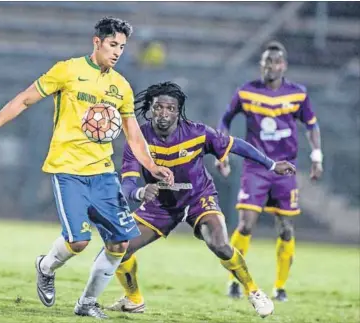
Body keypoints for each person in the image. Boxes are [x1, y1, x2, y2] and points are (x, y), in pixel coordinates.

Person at [0, 17, 174, 319]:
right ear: (96, 42)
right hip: (68, 170)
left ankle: (86, 303)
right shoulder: (67, 71)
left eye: (122, 47)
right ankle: (45, 267)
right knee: (79, 241)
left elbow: (132, 133)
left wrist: (151, 164)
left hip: (102, 173)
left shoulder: (121, 86)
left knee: (119, 243)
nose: (117, 52)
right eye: (112, 44)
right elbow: (24, 100)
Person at [106, 81, 296, 318]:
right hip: (161, 205)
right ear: (150, 109)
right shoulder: (138, 139)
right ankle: (133, 299)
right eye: (158, 107)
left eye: (170, 108)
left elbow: (237, 145)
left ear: (178, 111)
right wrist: (139, 193)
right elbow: (128, 184)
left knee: (219, 244)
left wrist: (271, 164)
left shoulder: (197, 132)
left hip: (199, 198)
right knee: (118, 246)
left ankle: (254, 291)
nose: (164, 113)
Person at [216, 41, 323, 302]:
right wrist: (222, 152)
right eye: (266, 61)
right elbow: (225, 119)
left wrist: (317, 156)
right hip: (256, 167)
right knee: (245, 224)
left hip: (285, 169)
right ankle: (234, 281)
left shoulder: (298, 94)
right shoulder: (246, 92)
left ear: (283, 65)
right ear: (261, 65)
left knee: (286, 228)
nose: (270, 66)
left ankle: (280, 287)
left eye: (275, 62)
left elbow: (311, 125)